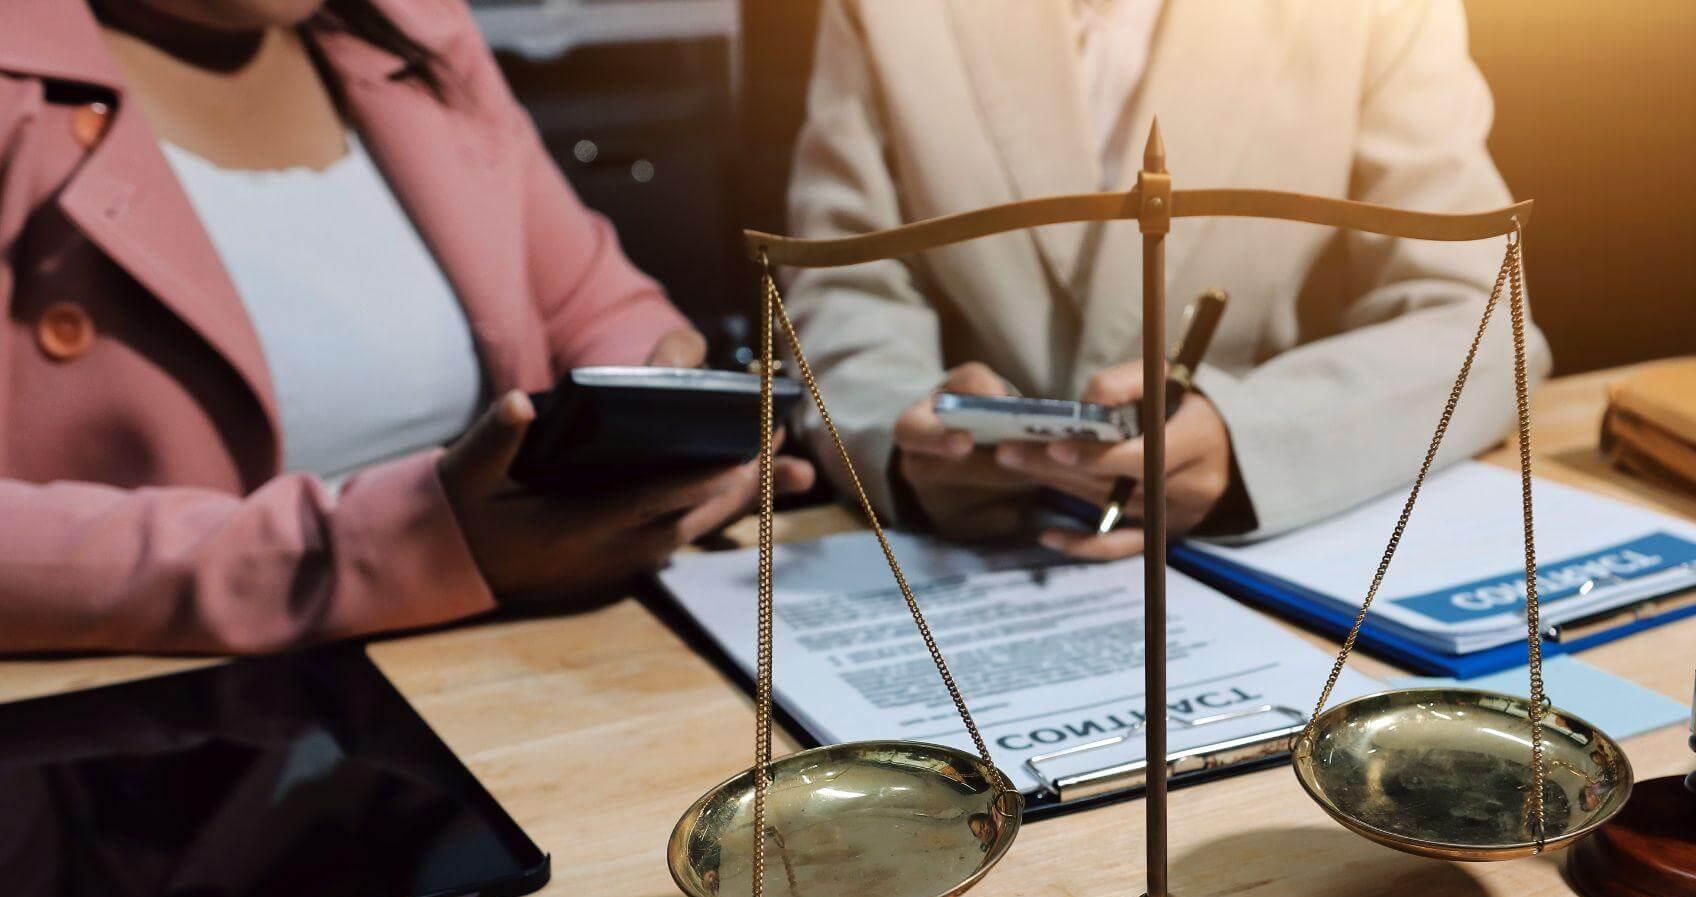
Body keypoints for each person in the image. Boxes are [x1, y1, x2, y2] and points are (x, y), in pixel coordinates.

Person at [0, 0, 812, 655]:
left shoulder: (413, 30)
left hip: (510, 662)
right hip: (167, 733)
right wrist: (386, 552)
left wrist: (649, 426)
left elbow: (594, 302)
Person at [783, 0, 1552, 559]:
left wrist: (1250, 442)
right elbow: (844, 286)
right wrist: (902, 450)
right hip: (975, 557)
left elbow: (1481, 320)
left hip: (1275, 555)